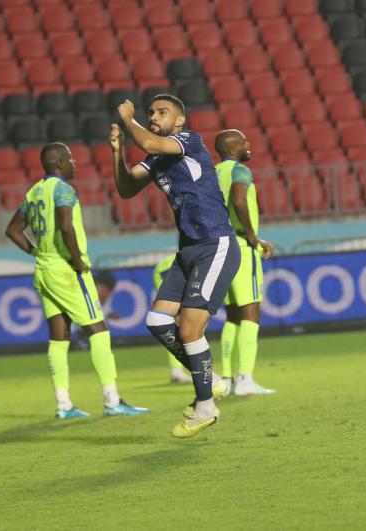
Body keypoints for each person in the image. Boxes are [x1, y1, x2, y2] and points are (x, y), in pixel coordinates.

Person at [110, 94, 239, 438]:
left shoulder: (188, 141)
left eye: (162, 112)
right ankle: (212, 380)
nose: (154, 116)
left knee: (189, 330)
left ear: (179, 121)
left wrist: (129, 120)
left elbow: (150, 141)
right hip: (188, 250)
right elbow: (126, 189)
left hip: (214, 244)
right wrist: (117, 152)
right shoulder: (156, 158)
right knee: (157, 320)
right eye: (151, 112)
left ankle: (206, 406)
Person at [5, 143, 149, 420]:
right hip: (67, 270)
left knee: (59, 338)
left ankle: (64, 405)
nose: (75, 163)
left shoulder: (34, 192)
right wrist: (78, 260)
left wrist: (37, 252)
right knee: (99, 331)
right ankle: (112, 401)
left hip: (44, 270)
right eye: (70, 158)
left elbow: (13, 230)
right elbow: (65, 225)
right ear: (58, 163)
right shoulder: (63, 190)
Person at [214, 129, 277, 396]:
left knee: (232, 315)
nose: (248, 145)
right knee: (251, 311)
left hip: (218, 247)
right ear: (231, 148)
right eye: (243, 142)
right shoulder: (240, 171)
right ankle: (245, 379)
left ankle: (228, 379)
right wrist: (252, 236)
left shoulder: (212, 174)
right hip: (240, 246)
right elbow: (239, 201)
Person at [153, 254, 193, 384]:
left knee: (179, 322)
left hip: (167, 270)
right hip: (169, 270)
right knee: (179, 322)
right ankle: (178, 371)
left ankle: (177, 370)